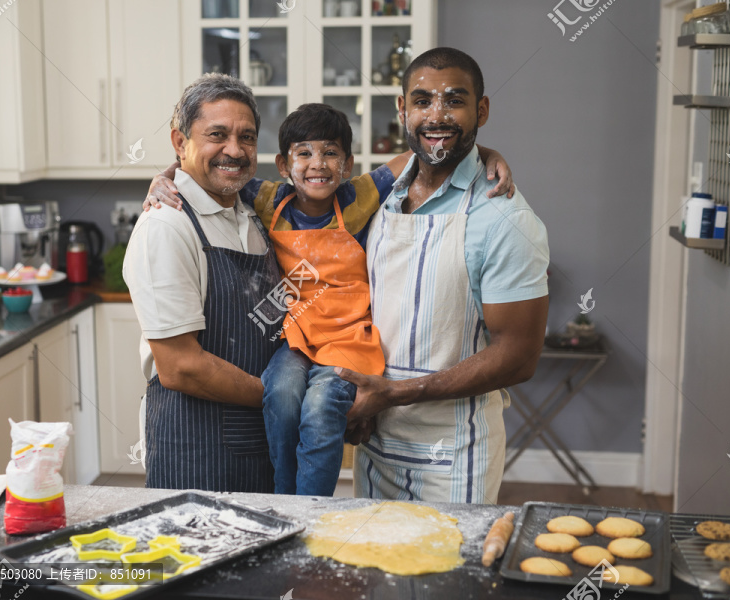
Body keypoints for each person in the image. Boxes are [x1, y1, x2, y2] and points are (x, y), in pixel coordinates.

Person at [143, 100, 515, 496]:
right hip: (296, 338)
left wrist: (487, 153)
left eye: (330, 153)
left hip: (348, 339)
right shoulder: (269, 200)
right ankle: (287, 497)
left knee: (320, 411)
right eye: (303, 154)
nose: (317, 163)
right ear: (284, 166)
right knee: (282, 394)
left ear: (348, 164)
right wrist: (165, 175)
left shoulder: (361, 197)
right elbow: (210, 171)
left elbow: (424, 150)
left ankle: (314, 507)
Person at [337, 47, 550, 505]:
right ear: (402, 110)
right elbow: (298, 199)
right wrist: (180, 175)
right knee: (372, 572)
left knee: (447, 575)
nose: (436, 115)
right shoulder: (383, 192)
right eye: (422, 101)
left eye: (454, 101)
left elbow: (519, 355)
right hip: (374, 440)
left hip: (454, 454)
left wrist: (396, 393)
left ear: (482, 110)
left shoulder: (504, 218)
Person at [123, 73, 285, 493]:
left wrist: (477, 152)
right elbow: (181, 367)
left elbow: (364, 186)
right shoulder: (166, 226)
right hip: (196, 451)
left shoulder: (253, 207)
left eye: (247, 137)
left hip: (261, 440)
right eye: (217, 135)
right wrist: (287, 402)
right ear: (180, 143)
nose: (235, 149)